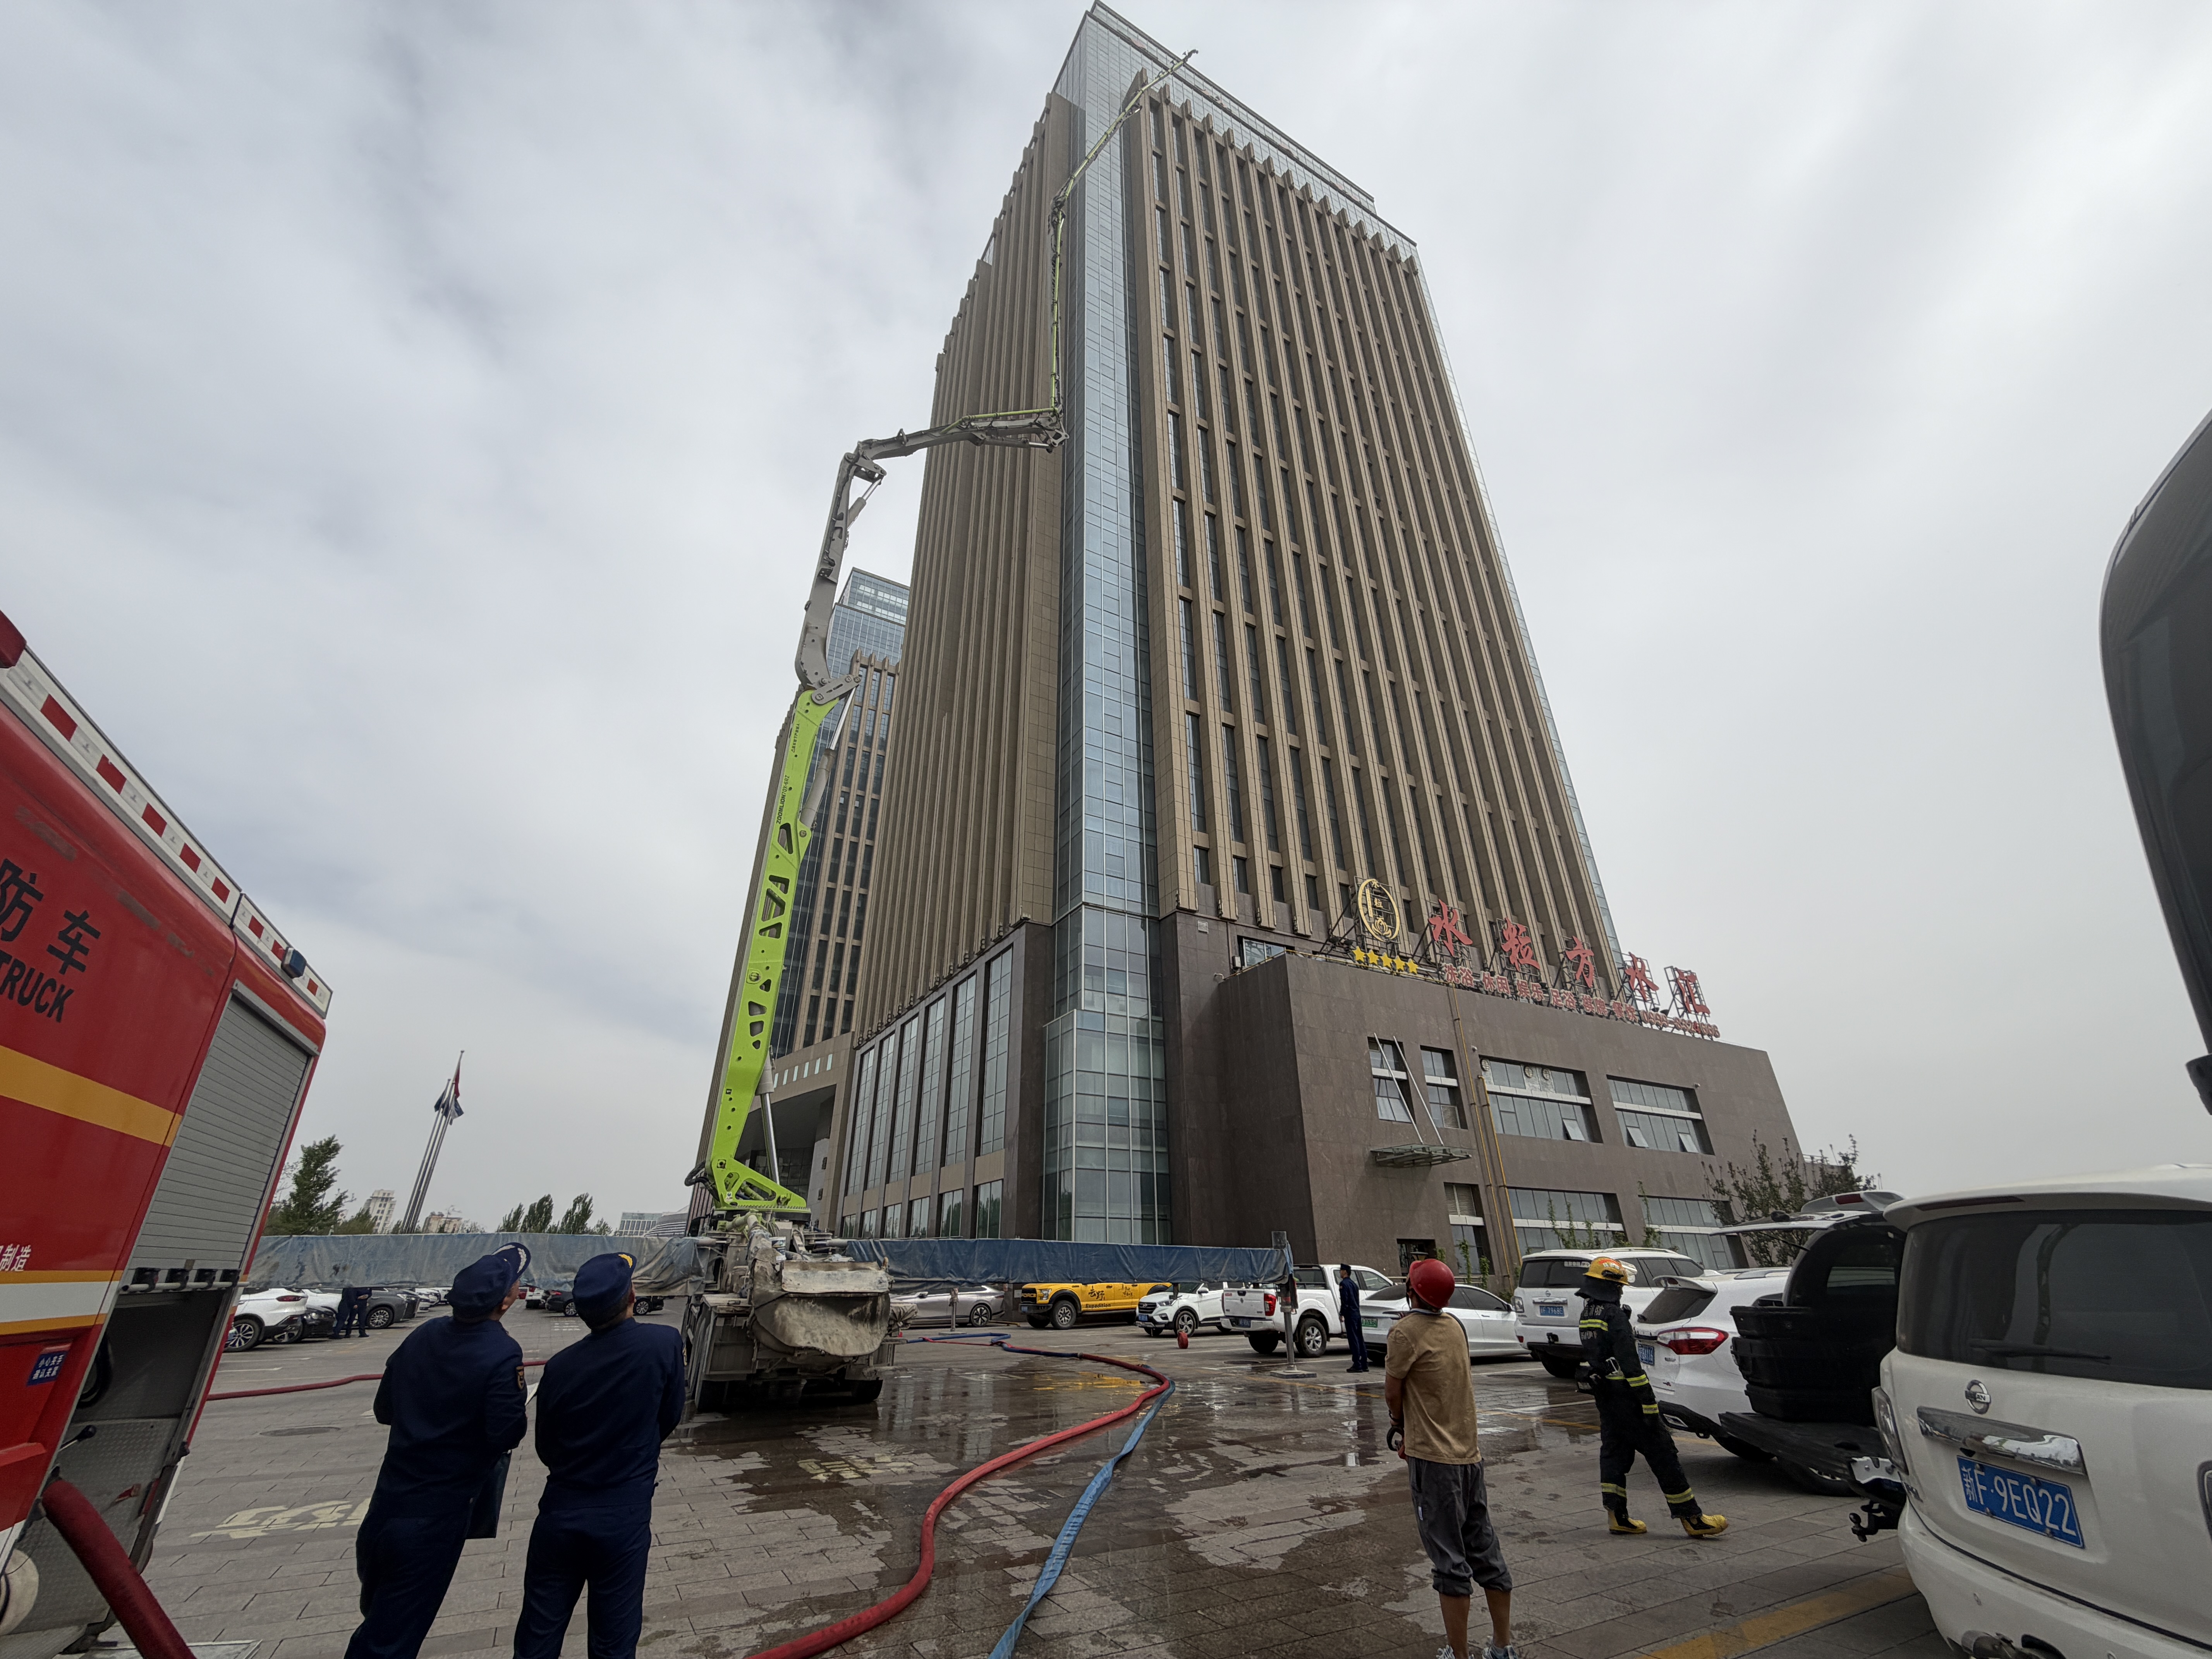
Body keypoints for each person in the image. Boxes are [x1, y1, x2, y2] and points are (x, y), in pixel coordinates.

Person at [345, 1243, 532, 1659]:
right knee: (389, 1639)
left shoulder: (425, 1334)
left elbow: (384, 1410)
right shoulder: (501, 1353)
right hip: (435, 1517)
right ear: (507, 1301)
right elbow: (505, 1433)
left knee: (379, 1618)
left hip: (386, 1504)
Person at [514, 1251, 685, 1659]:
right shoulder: (662, 1344)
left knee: (538, 1633)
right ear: (633, 1296)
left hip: (560, 1510)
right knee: (614, 1639)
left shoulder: (560, 1367)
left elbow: (546, 1446)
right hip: (622, 1512)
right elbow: (670, 1415)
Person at [1385, 1257, 1514, 1659]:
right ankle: (1503, 1648)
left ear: (1412, 1291)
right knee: (1485, 1552)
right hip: (1469, 1457)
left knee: (1449, 1561)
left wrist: (1400, 1425)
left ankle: (1459, 1655)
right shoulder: (1455, 1327)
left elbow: (1393, 1392)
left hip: (1434, 1463)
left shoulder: (1405, 1333)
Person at [1577, 1256, 1727, 1539]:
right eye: (1620, 1286)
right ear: (1611, 1286)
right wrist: (1648, 1403)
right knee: (1663, 1453)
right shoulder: (1614, 1316)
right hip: (1628, 1399)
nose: (1621, 1291)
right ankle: (1693, 1519)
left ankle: (1617, 1517)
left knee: (1614, 1455)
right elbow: (1632, 1367)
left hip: (1605, 1396)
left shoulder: (1588, 1314)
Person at [1338, 1263, 1371, 1373]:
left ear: (1345, 1272)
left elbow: (1345, 1301)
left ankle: (1357, 1364)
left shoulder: (1344, 1284)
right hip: (1357, 1313)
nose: (1340, 1273)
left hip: (1350, 1315)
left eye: (1341, 1271)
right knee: (1360, 1338)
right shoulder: (1354, 1284)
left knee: (1353, 1339)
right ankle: (1364, 1363)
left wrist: (1342, 1314)